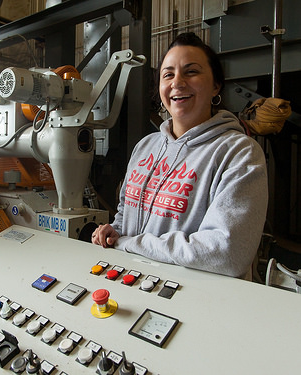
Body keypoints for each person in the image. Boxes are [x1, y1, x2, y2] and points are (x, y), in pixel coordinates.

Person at [91, 32, 268, 279]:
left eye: (191, 71)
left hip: (194, 296)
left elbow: (227, 253)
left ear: (216, 85)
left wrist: (129, 243)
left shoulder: (239, 153)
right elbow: (125, 213)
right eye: (168, 74)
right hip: (131, 279)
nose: (177, 82)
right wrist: (115, 231)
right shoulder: (145, 146)